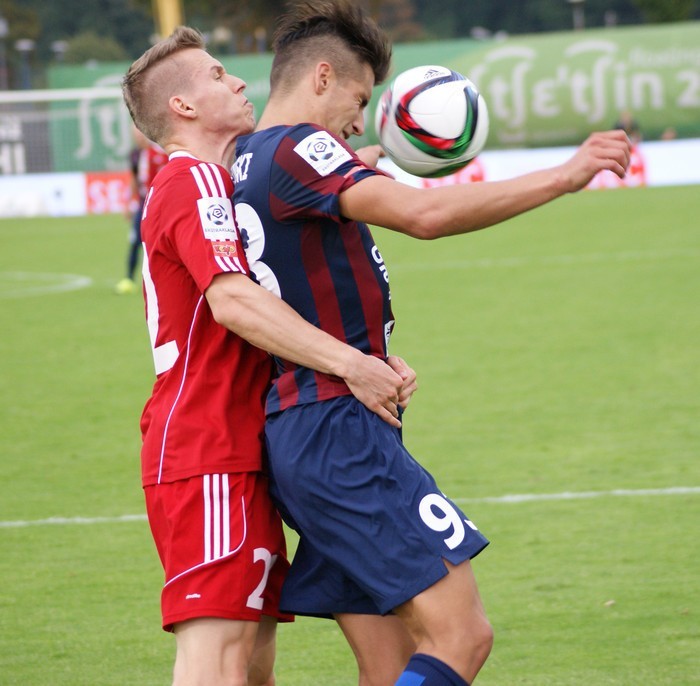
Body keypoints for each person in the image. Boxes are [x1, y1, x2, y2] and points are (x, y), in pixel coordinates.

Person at [232, 2, 632, 685]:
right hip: (338, 433)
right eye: (360, 99)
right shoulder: (300, 147)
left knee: (388, 669)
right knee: (462, 636)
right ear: (321, 78)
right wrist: (567, 175)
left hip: (308, 431)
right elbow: (426, 213)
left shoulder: (243, 158)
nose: (360, 120)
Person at [121, 26, 417, 686]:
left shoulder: (211, 182)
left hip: (240, 449)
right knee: (219, 657)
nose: (241, 81)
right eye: (220, 75)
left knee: (251, 664)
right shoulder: (193, 180)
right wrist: (350, 362)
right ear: (184, 108)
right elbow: (233, 302)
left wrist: (352, 164)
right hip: (206, 446)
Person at [115, 125, 168, 294]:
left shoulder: (160, 155)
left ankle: (161, 279)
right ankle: (129, 278)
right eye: (134, 134)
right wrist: (128, 202)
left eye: (139, 132)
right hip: (142, 204)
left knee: (159, 243)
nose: (137, 137)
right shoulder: (136, 154)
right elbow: (134, 178)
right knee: (135, 241)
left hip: (157, 205)